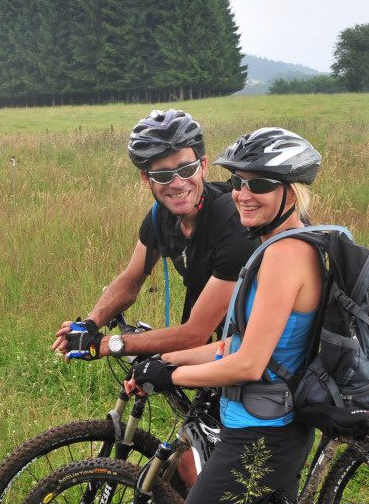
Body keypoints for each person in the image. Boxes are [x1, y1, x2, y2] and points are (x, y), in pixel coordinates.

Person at [126, 127, 326, 504]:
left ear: (294, 192)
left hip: (257, 436)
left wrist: (176, 370)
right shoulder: (279, 248)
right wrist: (168, 362)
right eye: (237, 182)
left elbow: (246, 363)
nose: (242, 193)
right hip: (272, 429)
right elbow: (232, 344)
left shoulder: (285, 257)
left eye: (260, 184)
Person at [53, 109, 256, 364]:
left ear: (203, 166)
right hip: (219, 341)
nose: (177, 183)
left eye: (186, 169)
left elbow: (194, 334)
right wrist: (91, 324)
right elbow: (131, 280)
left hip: (253, 351)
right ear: (146, 179)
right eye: (162, 175)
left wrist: (106, 344)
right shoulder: (160, 216)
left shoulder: (234, 226)